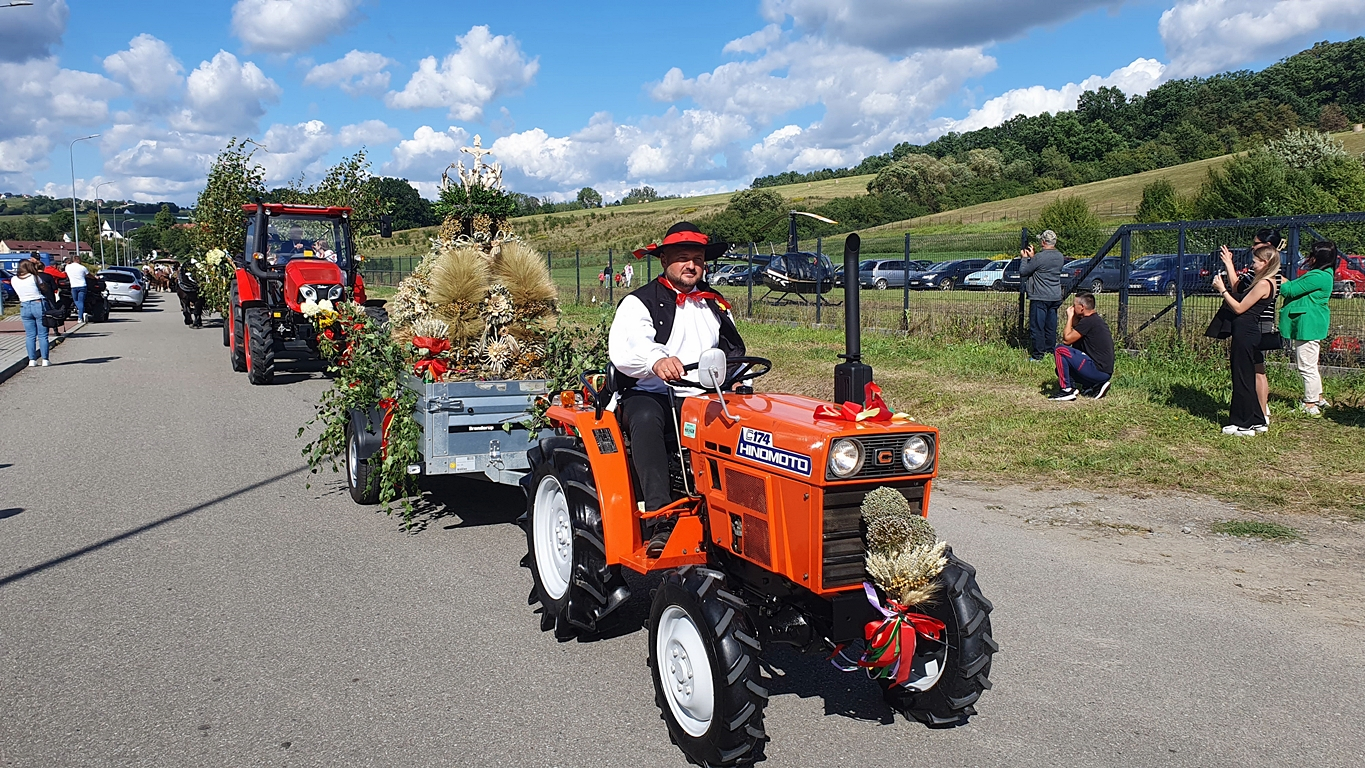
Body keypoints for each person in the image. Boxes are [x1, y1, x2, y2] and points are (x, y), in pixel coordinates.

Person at [609, 222, 742, 556]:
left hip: (705, 393)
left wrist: (739, 380)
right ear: (664, 260)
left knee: (745, 424)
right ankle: (661, 517)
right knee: (645, 419)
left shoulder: (715, 303)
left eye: (697, 259)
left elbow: (732, 351)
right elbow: (632, 344)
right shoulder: (638, 303)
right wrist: (656, 360)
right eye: (683, 258)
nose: (691, 265)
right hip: (651, 390)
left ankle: (734, 511)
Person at [1213, 243, 1279, 436]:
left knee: (1241, 378)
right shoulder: (1266, 282)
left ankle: (1243, 423)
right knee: (1247, 376)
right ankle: (1257, 419)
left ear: (1265, 262)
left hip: (1246, 334)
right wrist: (1229, 264)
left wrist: (1222, 290)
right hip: (1247, 332)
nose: (1252, 265)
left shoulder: (1264, 284)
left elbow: (1239, 307)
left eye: (1255, 262)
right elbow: (1239, 290)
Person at [1278, 241, 1336, 416]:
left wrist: (1275, 275)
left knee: (1306, 366)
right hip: (1312, 323)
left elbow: (1289, 290)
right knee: (1311, 363)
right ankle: (1318, 397)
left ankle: (1310, 404)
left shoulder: (1318, 276)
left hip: (1308, 324)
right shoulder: (1325, 274)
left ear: (1317, 258)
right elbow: (1294, 287)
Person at [1049, 291, 1114, 400]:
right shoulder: (1093, 320)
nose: (1072, 308)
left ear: (1082, 307)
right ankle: (1092, 385)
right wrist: (1074, 316)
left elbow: (1066, 340)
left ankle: (1067, 390)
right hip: (1103, 372)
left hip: (1097, 370)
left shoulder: (1088, 321)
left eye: (1074, 305)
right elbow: (1075, 326)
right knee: (1061, 369)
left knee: (1060, 350)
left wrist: (1070, 317)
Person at [1020, 229, 1066, 361]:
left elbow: (1024, 271)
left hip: (1040, 296)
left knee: (1037, 327)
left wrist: (1025, 258)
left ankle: (1038, 355)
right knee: (1050, 326)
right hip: (1055, 295)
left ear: (1044, 242)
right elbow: (1043, 267)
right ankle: (1050, 350)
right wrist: (1033, 257)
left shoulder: (1040, 257)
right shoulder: (1060, 256)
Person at [11, 261, 51, 366]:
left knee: (30, 335)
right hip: (38, 304)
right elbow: (44, 288)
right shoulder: (34, 277)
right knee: (43, 334)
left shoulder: (14, 279)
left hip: (24, 305)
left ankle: (32, 360)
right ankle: (45, 360)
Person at [64, 254, 90, 322]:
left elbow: (66, 274)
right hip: (82, 285)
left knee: (76, 301)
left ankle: (81, 314)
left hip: (73, 286)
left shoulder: (68, 267)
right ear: (78, 260)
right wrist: (95, 278)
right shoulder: (82, 267)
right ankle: (80, 317)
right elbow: (88, 275)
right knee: (81, 301)